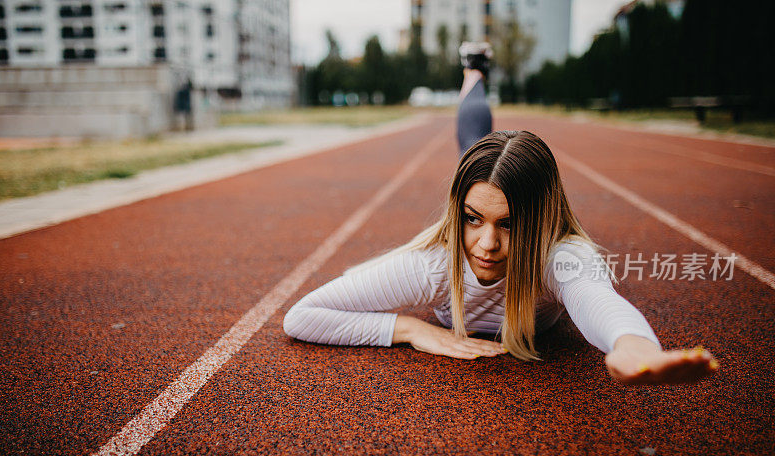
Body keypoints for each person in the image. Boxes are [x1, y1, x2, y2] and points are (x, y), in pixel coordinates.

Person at [283, 43, 718, 386]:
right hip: (467, 208)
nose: (487, 245)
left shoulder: (560, 256)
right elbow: (300, 317)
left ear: (542, 222)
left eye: (509, 225)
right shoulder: (432, 266)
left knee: (481, 150)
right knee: (474, 150)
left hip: (525, 208)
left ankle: (475, 72)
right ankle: (474, 70)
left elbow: (598, 301)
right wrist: (411, 330)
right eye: (472, 219)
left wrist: (635, 348)